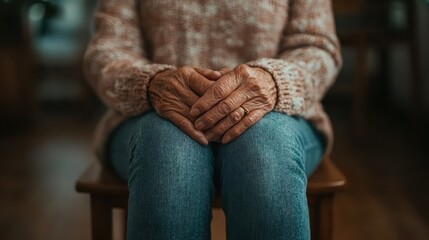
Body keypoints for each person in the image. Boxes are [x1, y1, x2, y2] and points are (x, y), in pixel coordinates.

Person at [84, 0, 342, 239]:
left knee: (263, 143)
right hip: (151, 113)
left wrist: (274, 80)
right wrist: (151, 83)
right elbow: (106, 51)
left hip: (278, 113)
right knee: (167, 145)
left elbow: (318, 47)